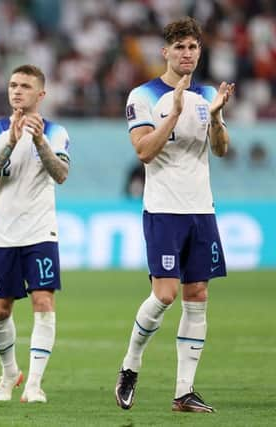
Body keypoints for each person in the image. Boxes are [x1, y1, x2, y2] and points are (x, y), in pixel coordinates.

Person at [115, 17, 235, 413]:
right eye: (179, 47)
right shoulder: (144, 95)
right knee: (165, 294)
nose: (187, 54)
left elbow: (219, 150)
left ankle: (184, 392)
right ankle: (131, 365)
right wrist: (174, 113)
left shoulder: (206, 94)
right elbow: (143, 151)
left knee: (197, 295)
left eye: (193, 47)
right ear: (165, 52)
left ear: (200, 51)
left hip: (201, 208)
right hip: (164, 209)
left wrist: (216, 116)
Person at [0, 64, 71, 403]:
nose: (17, 91)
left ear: (41, 94)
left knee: (43, 302)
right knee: (0, 310)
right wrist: (12, 141)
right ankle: (10, 373)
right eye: (13, 85)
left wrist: (39, 141)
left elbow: (61, 174)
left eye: (25, 86)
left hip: (40, 232)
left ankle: (34, 384)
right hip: (2, 234)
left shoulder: (56, 132)